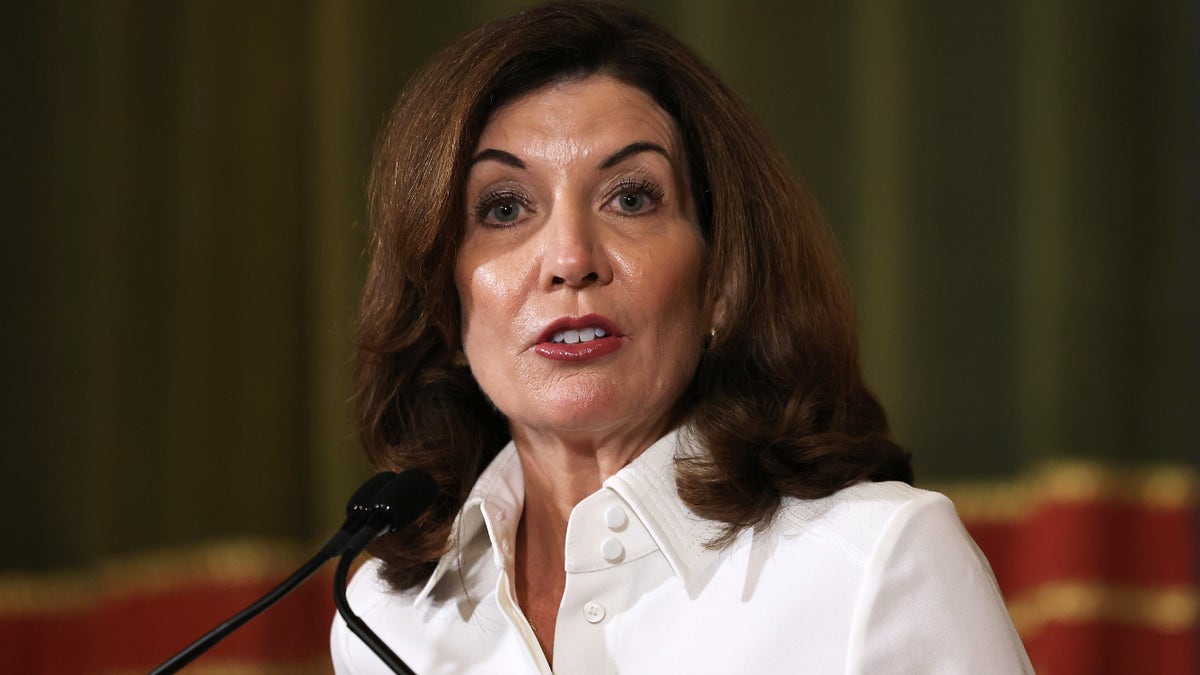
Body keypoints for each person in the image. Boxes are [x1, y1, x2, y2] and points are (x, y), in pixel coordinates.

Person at [332, 2, 1034, 673]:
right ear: (443, 295)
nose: (571, 257)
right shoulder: (385, 618)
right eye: (505, 207)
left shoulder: (876, 561)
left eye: (631, 198)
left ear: (722, 278)